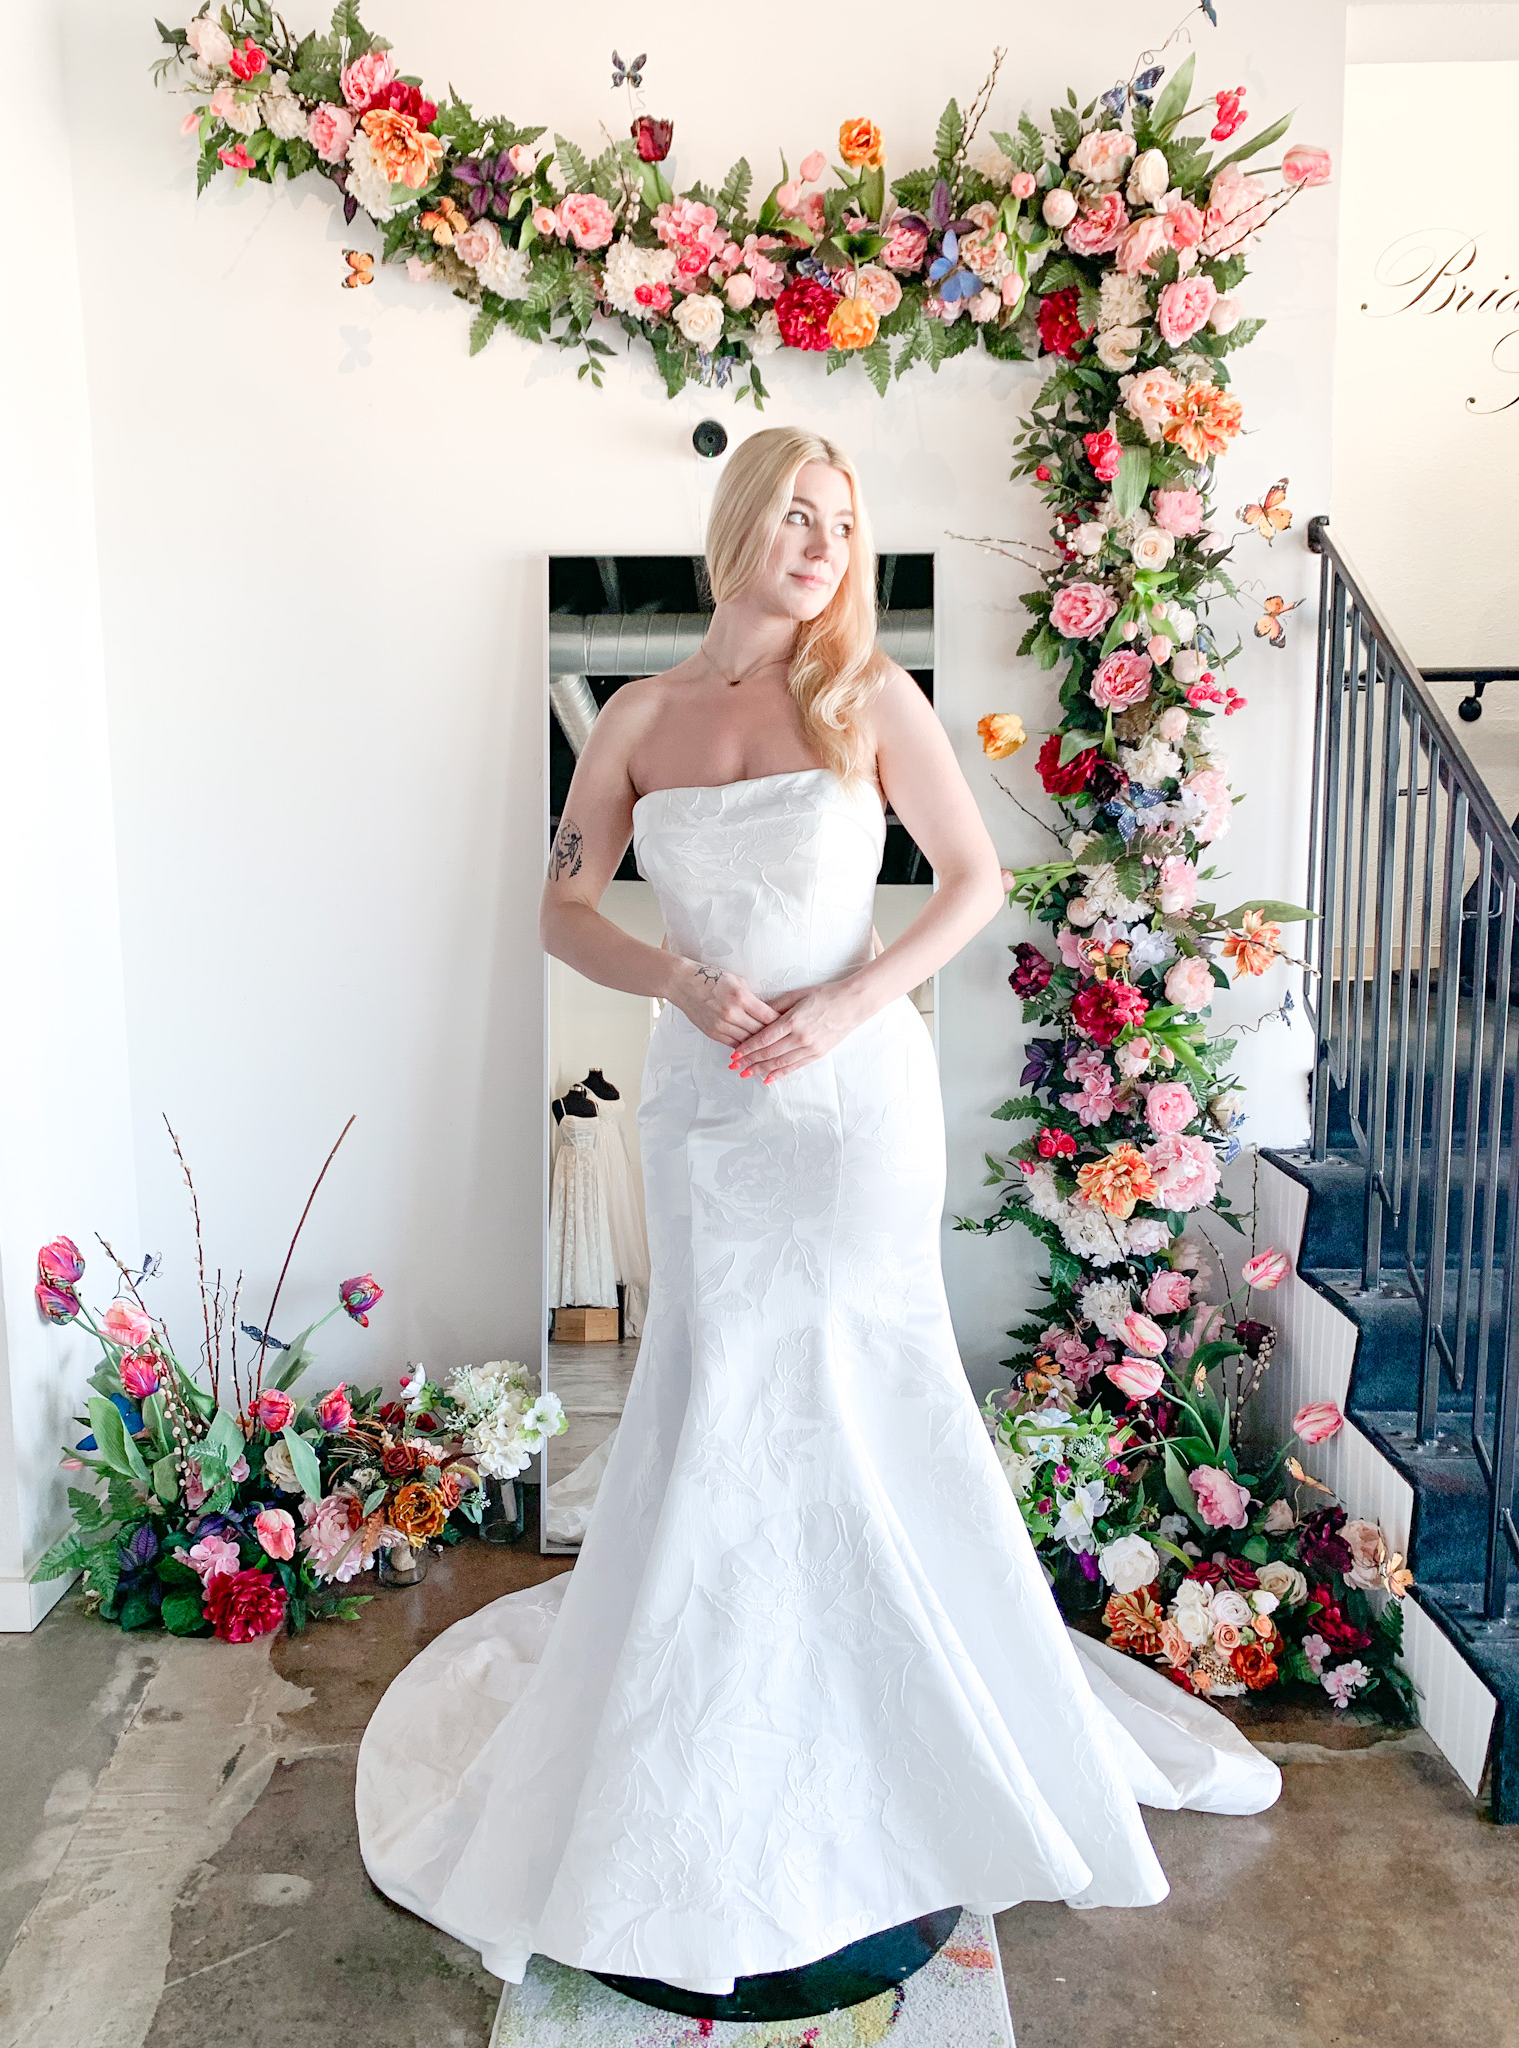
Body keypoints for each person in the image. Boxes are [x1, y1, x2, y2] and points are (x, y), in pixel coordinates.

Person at [355, 426, 1280, 1997]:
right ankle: (706, 1766)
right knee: (722, 1397)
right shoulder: (637, 719)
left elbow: (975, 882)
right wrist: (681, 982)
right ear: (738, 519)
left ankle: (898, 1763)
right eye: (798, 512)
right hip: (709, 1108)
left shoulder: (873, 700)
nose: (821, 542)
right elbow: (561, 906)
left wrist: (850, 1007)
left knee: (858, 1392)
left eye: (845, 525)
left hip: (852, 1109)